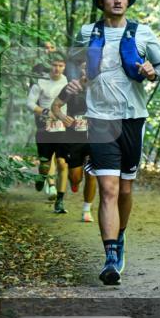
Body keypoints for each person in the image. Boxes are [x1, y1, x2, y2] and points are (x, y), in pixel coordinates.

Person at [66, 0, 160, 286]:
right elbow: (72, 63)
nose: (118, 0)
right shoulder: (88, 32)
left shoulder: (142, 32)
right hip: (99, 119)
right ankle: (110, 256)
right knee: (108, 189)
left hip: (133, 119)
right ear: (102, 2)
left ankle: (120, 235)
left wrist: (152, 72)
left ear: (128, 1)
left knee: (124, 190)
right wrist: (74, 80)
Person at [50, 74, 97, 223]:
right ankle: (75, 182)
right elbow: (55, 106)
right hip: (74, 138)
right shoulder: (71, 87)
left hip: (95, 137)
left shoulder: (101, 87)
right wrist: (63, 117)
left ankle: (86, 210)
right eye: (83, 68)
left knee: (91, 173)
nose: (85, 72)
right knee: (76, 177)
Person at [25, 53, 69, 211]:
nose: (57, 68)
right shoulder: (41, 81)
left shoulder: (68, 82)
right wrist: (46, 112)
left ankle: (60, 199)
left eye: (60, 66)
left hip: (63, 128)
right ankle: (42, 175)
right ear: (50, 65)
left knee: (62, 162)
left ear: (64, 67)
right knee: (46, 163)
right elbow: (30, 103)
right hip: (45, 127)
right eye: (54, 65)